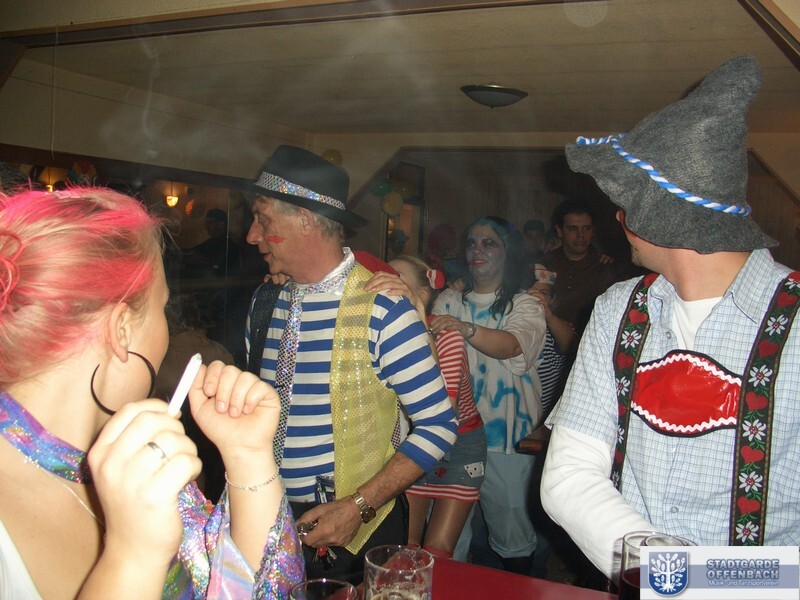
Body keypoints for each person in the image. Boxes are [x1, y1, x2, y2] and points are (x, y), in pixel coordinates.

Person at [541, 55, 800, 583]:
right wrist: (672, 580)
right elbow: (568, 476)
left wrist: (710, 586)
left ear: (658, 215)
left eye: (625, 205)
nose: (618, 219)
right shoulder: (618, 310)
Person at [0, 187, 302, 600]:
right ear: (122, 330)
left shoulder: (139, 459)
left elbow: (253, 589)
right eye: (162, 308)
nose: (167, 331)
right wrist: (133, 556)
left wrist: (248, 456)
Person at [244, 145, 457, 584]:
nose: (251, 235)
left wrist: (358, 506)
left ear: (305, 219)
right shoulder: (264, 301)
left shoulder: (384, 309)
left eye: (263, 219)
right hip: (264, 519)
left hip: (353, 530)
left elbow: (439, 425)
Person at [432, 216, 546, 574]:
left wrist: (465, 329)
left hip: (506, 438)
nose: (477, 250)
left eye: (489, 243)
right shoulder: (450, 299)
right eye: (472, 243)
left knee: (514, 539)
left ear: (508, 252)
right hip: (454, 436)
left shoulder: (524, 304)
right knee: (447, 542)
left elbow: (511, 345)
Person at [364, 255, 487, 559]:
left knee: (437, 553)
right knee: (404, 549)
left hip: (460, 446)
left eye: (396, 276)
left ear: (422, 294)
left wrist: (418, 317)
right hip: (412, 443)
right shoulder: (379, 331)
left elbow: (442, 414)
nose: (385, 278)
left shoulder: (448, 337)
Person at [542, 199, 616, 336]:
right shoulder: (545, 265)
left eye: (586, 228)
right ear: (559, 231)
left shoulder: (605, 268)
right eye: (573, 229)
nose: (581, 235)